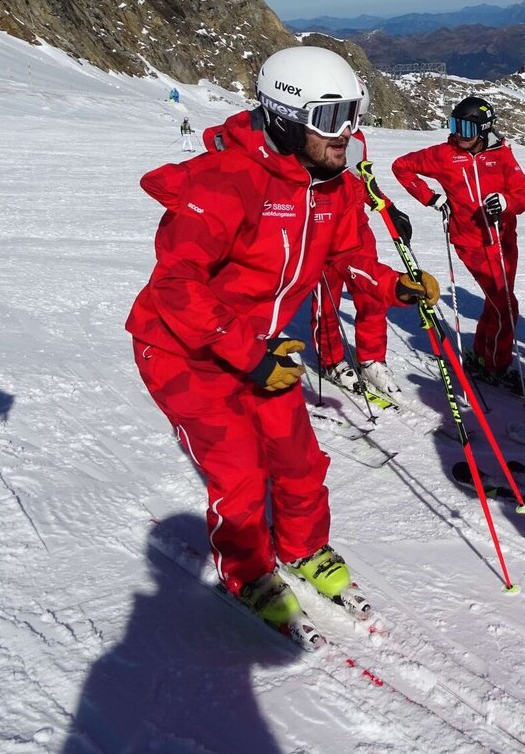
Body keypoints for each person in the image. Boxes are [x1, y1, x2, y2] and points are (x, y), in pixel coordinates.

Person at [126, 46, 440, 631]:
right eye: (328, 118)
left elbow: (350, 260)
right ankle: (247, 570)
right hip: (183, 352)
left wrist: (397, 287)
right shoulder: (225, 182)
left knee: (297, 459)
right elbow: (175, 285)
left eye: (353, 112)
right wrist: (246, 354)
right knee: (241, 473)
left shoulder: (335, 190)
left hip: (263, 353)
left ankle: (301, 547)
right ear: (282, 118)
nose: (345, 132)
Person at [391, 95, 525, 390]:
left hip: (504, 239)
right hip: (471, 241)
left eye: (466, 129)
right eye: (454, 125)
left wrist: (506, 202)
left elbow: (524, 194)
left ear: (483, 130)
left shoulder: (501, 154)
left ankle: (484, 353)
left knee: (498, 303)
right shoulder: (445, 154)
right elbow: (401, 166)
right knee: (506, 306)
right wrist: (430, 197)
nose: (457, 134)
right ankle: (495, 366)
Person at [312, 132, 414, 398]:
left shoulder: (355, 139)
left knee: (371, 299)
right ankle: (330, 361)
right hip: (321, 234)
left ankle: (370, 359)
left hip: (357, 233)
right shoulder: (309, 133)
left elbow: (363, 180)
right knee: (327, 304)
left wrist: (388, 208)